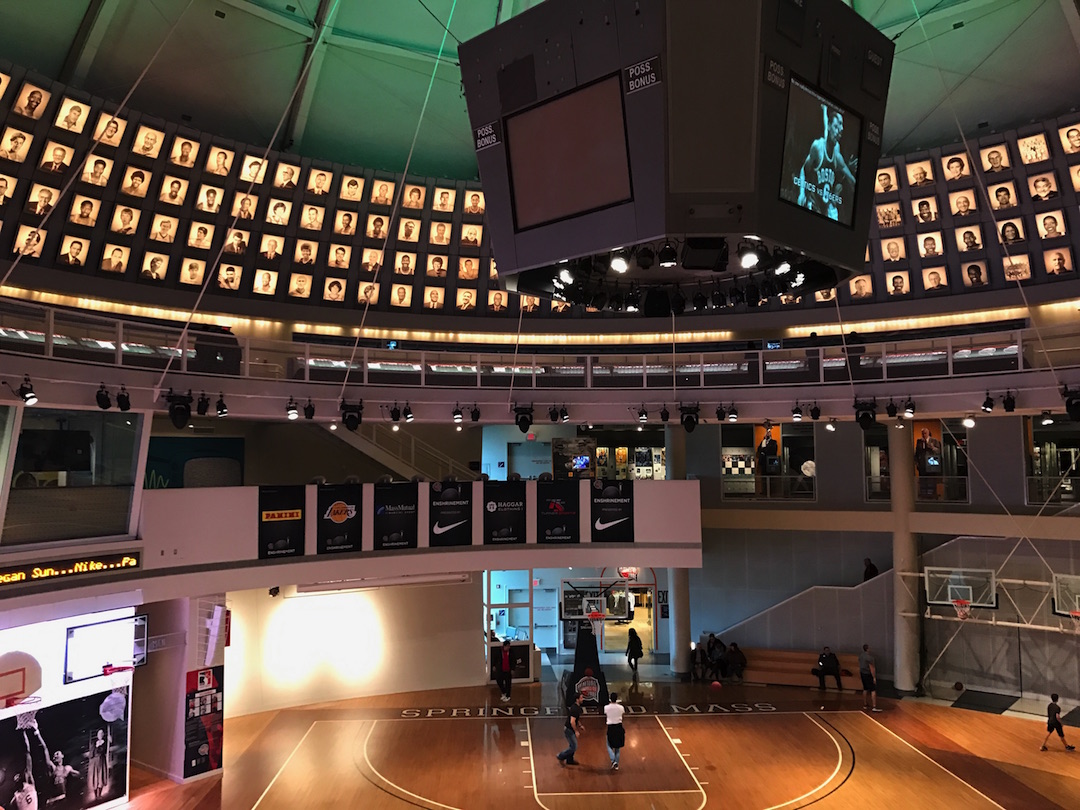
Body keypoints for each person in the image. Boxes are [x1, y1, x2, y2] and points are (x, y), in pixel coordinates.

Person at [795, 104, 856, 217]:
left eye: (840, 130)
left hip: (826, 205)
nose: (838, 132)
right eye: (836, 127)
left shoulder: (836, 152)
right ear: (829, 126)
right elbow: (804, 169)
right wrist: (801, 193)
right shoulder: (817, 147)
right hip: (814, 203)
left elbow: (851, 179)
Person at [556, 692, 585, 766]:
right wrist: (576, 731)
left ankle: (570, 760)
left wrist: (580, 725)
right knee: (574, 747)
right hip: (569, 730)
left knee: (572, 745)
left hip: (570, 729)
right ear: (577, 699)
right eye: (581, 698)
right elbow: (572, 722)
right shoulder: (575, 709)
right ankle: (560, 756)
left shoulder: (577, 707)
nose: (583, 699)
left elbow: (576, 719)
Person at [915, 428, 942, 497]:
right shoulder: (919, 441)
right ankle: (923, 493)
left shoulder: (934, 440)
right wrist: (917, 462)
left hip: (931, 463)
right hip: (922, 464)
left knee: (931, 479)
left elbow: (938, 451)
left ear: (928, 433)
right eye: (922, 433)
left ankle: (932, 493)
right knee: (922, 480)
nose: (924, 435)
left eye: (925, 433)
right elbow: (917, 453)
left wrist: (933, 448)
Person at [604, 692, 626, 770]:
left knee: (608, 745)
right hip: (619, 727)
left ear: (610, 698)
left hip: (611, 728)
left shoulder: (606, 707)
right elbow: (622, 715)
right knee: (617, 747)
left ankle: (613, 760)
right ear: (617, 699)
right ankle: (616, 763)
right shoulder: (621, 707)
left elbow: (606, 714)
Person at [88, 727, 110, 800]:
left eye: (101, 734)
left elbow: (103, 751)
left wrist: (98, 748)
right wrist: (95, 748)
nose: (100, 735)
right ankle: (95, 796)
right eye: (99, 734)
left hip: (102, 761)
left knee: (101, 776)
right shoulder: (94, 743)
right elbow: (91, 754)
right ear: (97, 735)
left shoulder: (104, 743)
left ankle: (99, 795)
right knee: (95, 777)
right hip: (95, 762)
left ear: (103, 735)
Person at [858, 644, 881, 712]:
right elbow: (872, 668)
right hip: (868, 674)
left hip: (862, 673)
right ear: (868, 649)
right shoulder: (870, 658)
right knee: (873, 690)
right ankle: (874, 706)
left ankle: (865, 704)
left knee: (865, 689)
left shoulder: (861, 656)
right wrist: (874, 677)